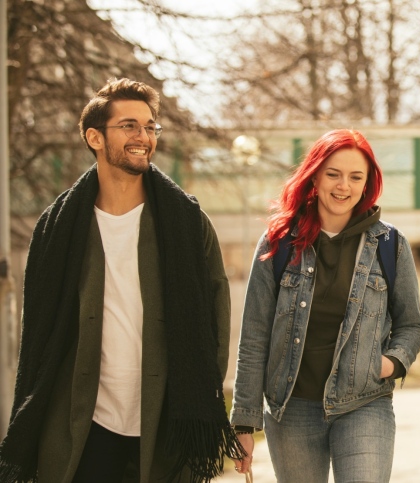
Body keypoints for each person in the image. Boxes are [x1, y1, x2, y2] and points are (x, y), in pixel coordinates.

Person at [0, 78, 241, 482]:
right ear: (95, 137)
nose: (143, 136)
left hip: (166, 418)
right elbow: (37, 329)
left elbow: (216, 315)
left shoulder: (186, 221)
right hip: (82, 421)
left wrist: (200, 395)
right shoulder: (58, 226)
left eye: (150, 127)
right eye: (129, 125)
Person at [229, 129, 420, 482]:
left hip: (365, 403)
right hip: (291, 409)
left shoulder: (389, 245)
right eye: (333, 174)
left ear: (367, 184)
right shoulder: (279, 242)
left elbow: (411, 324)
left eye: (355, 176)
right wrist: (244, 419)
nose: (343, 186)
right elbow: (255, 334)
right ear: (315, 177)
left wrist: (389, 363)